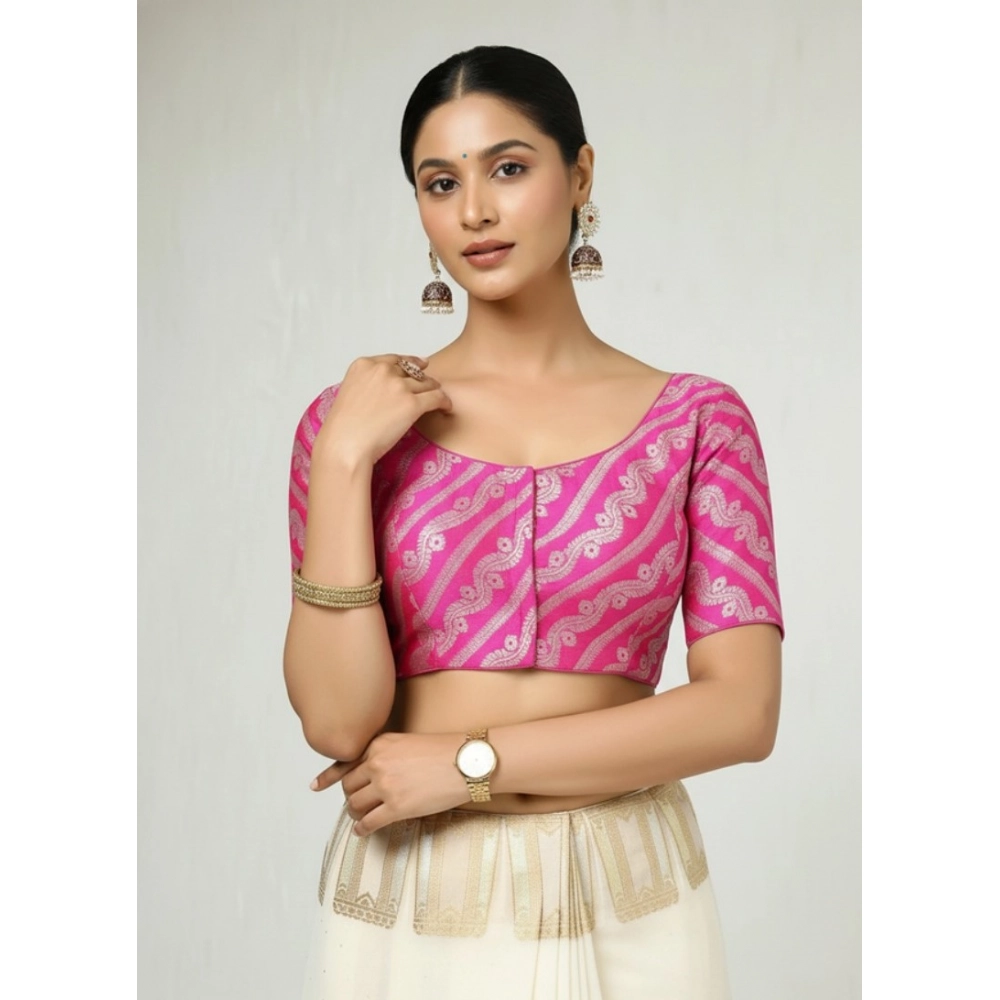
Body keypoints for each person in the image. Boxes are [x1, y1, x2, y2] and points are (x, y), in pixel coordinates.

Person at [284, 44, 784, 1000]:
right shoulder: (349, 426)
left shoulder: (696, 421)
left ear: (579, 175)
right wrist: (345, 461)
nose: (474, 210)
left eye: (508, 168)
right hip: (417, 891)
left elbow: (743, 711)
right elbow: (337, 721)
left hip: (627, 890)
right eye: (441, 182)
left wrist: (469, 765)